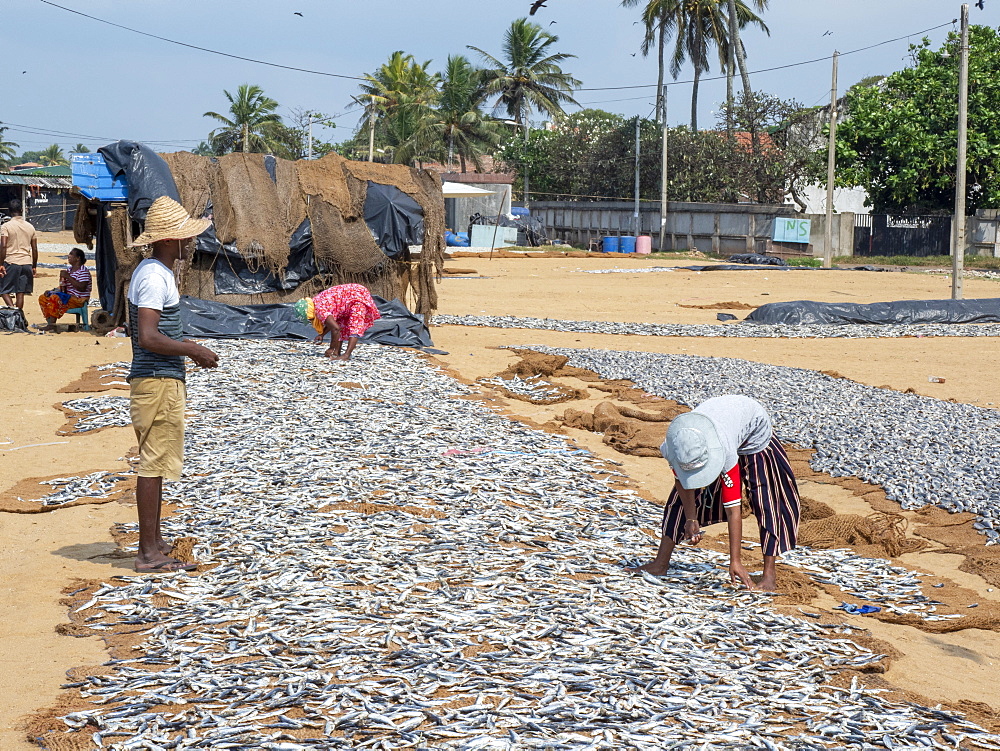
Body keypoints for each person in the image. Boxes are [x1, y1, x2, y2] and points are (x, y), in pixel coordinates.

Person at [127, 196, 219, 573]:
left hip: (161, 379)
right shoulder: (152, 276)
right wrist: (192, 349)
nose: (190, 242)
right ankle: (147, 553)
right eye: (184, 237)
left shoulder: (157, 273)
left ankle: (155, 540)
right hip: (156, 380)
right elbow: (148, 336)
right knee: (152, 463)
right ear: (167, 241)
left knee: (160, 461)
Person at [629, 395, 801, 591]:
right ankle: (661, 563)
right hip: (722, 427)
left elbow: (733, 509)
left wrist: (735, 560)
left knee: (767, 500)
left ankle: (769, 574)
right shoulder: (673, 446)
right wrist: (691, 519)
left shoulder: (725, 451)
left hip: (754, 432)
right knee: (678, 500)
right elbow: (681, 482)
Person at [294, 283, 381, 361]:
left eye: (309, 318)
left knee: (355, 326)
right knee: (340, 322)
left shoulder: (319, 310)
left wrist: (331, 348)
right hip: (351, 298)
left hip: (357, 297)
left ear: (308, 312)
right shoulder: (315, 302)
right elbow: (332, 323)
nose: (310, 320)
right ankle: (337, 353)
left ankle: (346, 355)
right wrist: (322, 335)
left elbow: (335, 329)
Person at [37, 248, 92, 331]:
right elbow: (63, 286)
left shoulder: (83, 271)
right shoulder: (69, 270)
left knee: (55, 298)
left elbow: (82, 288)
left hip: (78, 299)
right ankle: (50, 322)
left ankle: (52, 325)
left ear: (78, 258)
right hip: (68, 297)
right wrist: (52, 291)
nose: (69, 256)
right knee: (43, 298)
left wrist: (68, 277)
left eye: (71, 254)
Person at [0, 199, 38, 310]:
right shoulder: (30, 227)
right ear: (21, 210)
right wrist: (34, 266)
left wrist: (1, 264)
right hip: (26, 263)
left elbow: (3, 246)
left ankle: (13, 313)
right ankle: (19, 315)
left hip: (11, 262)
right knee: (20, 292)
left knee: (3, 290)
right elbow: (34, 248)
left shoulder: (6, 226)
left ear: (9, 211)